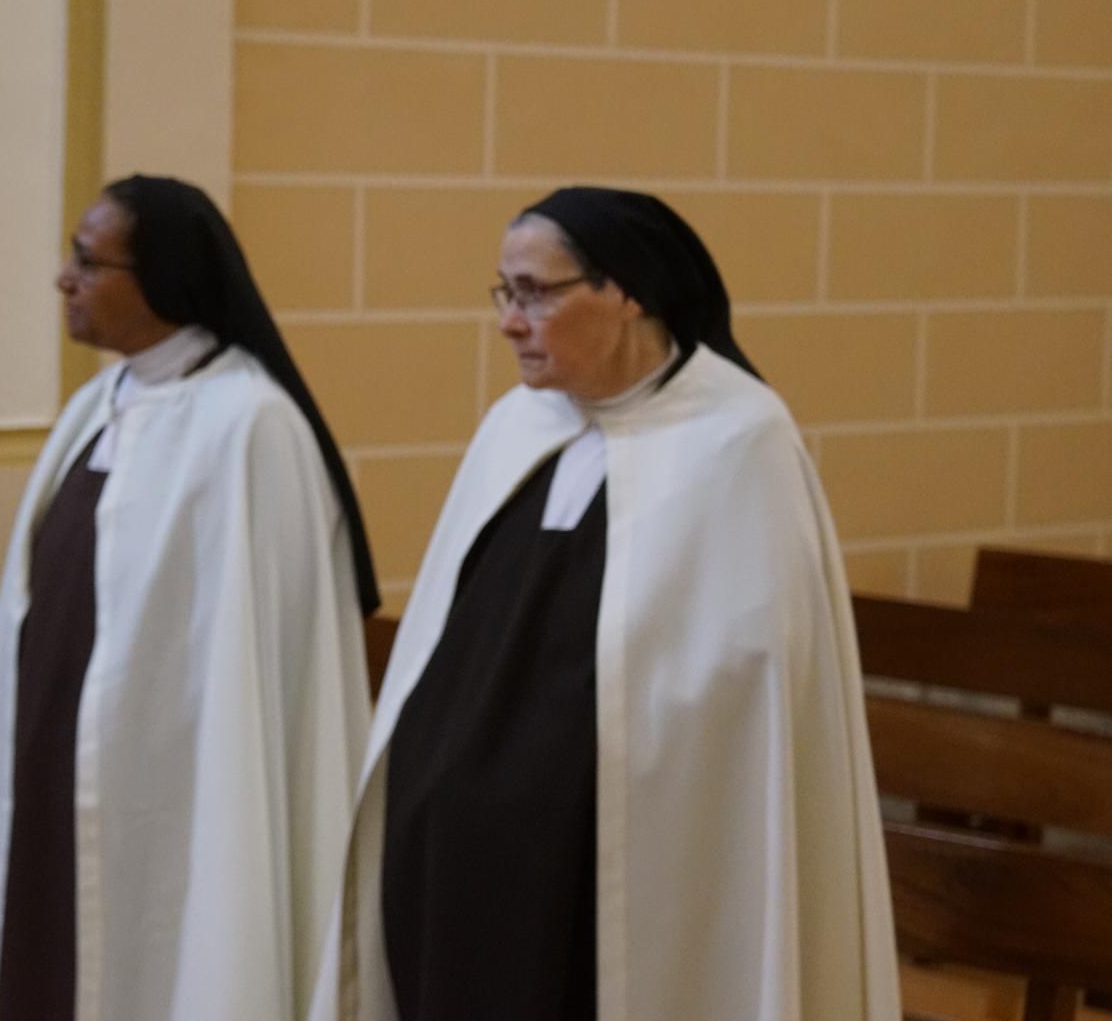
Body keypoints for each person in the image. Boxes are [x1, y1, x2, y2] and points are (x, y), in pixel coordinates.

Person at [309, 187, 901, 1021]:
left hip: (611, 867)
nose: (510, 322)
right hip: (461, 863)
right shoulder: (516, 428)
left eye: (536, 293)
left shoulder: (738, 442)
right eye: (504, 293)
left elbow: (737, 692)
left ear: (626, 293)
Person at [0, 174, 379, 1021]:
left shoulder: (249, 424)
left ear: (164, 281)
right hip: (55, 774)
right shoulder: (99, 405)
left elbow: (255, 659)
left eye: (87, 261)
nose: (63, 279)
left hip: (181, 787)